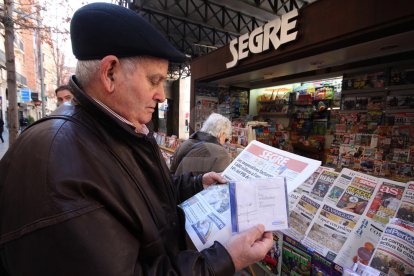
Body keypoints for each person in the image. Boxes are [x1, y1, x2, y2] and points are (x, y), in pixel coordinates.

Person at [0, 3, 273, 276]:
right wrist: (225, 259)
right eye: (154, 81)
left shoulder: (111, 128)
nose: (162, 95)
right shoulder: (59, 160)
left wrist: (194, 184)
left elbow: (135, 194)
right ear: (110, 73)